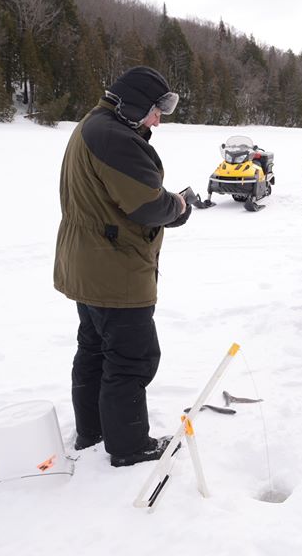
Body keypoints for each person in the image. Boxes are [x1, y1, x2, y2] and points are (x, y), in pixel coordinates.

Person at [53, 66, 191, 467]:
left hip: (87, 263)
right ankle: (129, 446)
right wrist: (178, 205)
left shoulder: (94, 124)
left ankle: (93, 432)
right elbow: (149, 205)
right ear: (132, 104)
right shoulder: (114, 136)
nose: (157, 120)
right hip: (114, 269)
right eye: (154, 111)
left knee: (94, 349)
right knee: (133, 357)